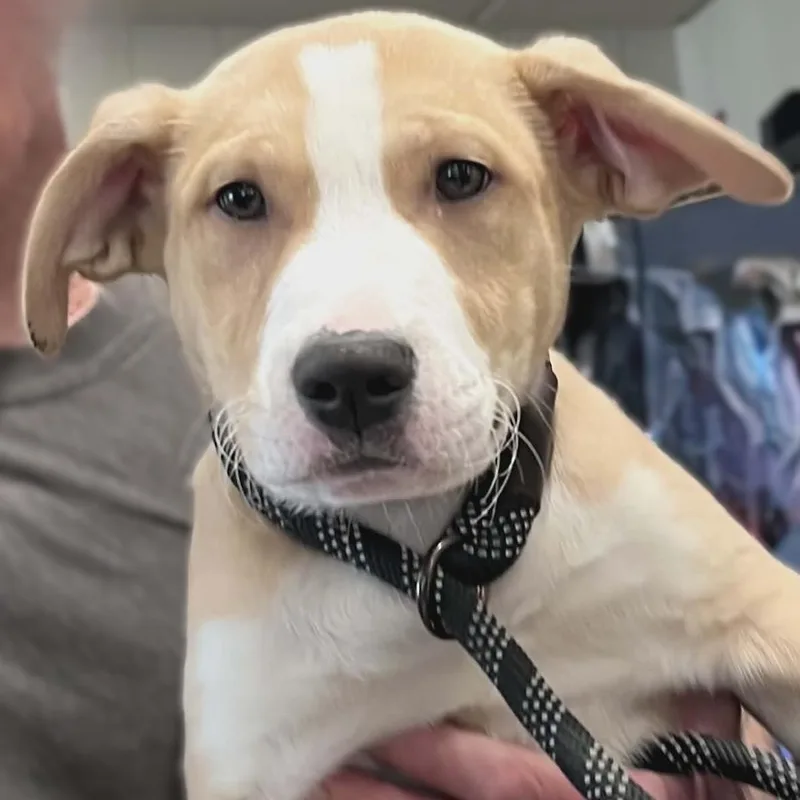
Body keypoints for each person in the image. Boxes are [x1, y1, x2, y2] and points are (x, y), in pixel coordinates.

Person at [0, 1, 773, 798]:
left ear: (596, 146)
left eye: (458, 177)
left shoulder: (584, 455)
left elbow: (761, 635)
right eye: (241, 200)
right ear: (127, 206)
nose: (350, 339)